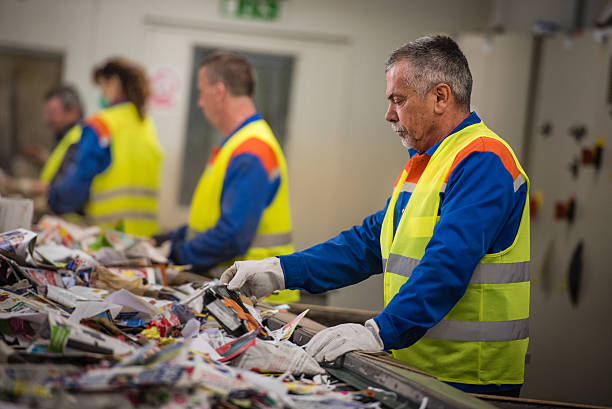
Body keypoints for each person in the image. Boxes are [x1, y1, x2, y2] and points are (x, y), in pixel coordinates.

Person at [221, 35, 530, 396]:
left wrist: (380, 331)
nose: (388, 114)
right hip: (416, 368)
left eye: (398, 100)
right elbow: (368, 243)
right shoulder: (426, 162)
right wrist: (281, 270)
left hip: (468, 380)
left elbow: (448, 263)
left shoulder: (483, 161)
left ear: (441, 97)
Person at [154, 51, 298, 303]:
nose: (199, 102)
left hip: (257, 301)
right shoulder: (239, 144)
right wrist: (171, 238)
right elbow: (214, 220)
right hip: (243, 295)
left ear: (219, 92)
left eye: (201, 92)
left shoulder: (251, 150)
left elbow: (231, 237)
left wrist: (175, 254)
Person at [48, 58, 163, 237]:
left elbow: (78, 182)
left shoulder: (101, 124)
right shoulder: (146, 125)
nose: (101, 93)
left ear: (115, 83)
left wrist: (53, 200)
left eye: (102, 85)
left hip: (107, 238)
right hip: (143, 240)